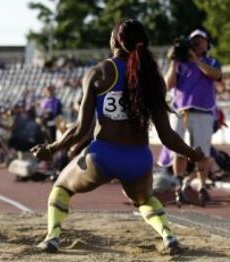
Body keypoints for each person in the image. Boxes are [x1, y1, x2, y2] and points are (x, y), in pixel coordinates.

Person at [31, 18, 205, 255]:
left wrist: (51, 148)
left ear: (115, 40)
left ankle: (52, 237)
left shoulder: (99, 72)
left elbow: (82, 129)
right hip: (139, 160)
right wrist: (192, 153)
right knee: (145, 201)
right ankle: (169, 236)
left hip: (103, 155)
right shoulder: (153, 79)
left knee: (61, 188)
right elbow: (166, 135)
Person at [164, 29, 222, 206]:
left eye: (200, 40)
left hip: (203, 112)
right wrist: (174, 63)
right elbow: (168, 85)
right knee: (179, 151)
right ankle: (179, 186)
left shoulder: (212, 61)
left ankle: (202, 187)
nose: (197, 43)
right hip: (180, 112)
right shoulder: (180, 63)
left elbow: (215, 75)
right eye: (194, 40)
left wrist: (196, 61)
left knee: (202, 153)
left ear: (207, 43)